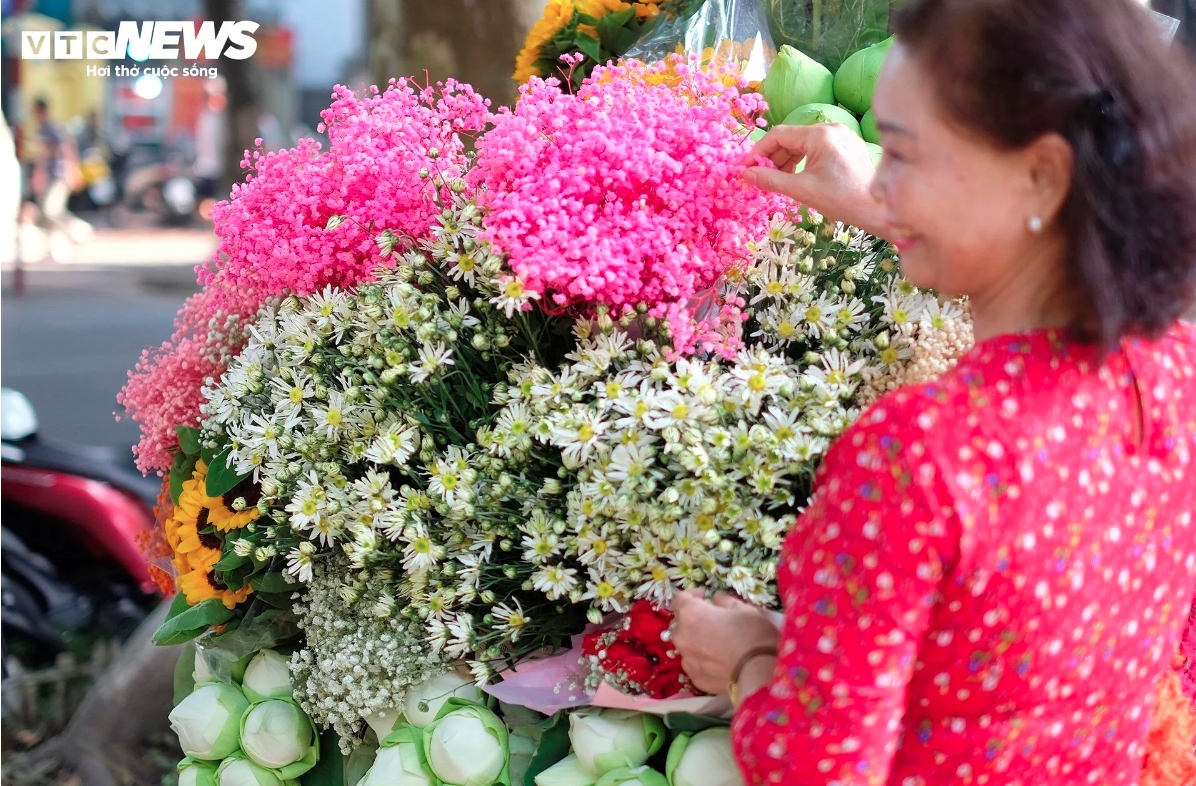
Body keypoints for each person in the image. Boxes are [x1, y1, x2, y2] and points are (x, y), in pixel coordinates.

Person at [670, 0, 1196, 784]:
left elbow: (818, 770)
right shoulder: (1171, 373)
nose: (887, 182)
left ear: (1043, 175)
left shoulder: (920, 452)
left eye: (905, 156)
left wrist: (750, 657)